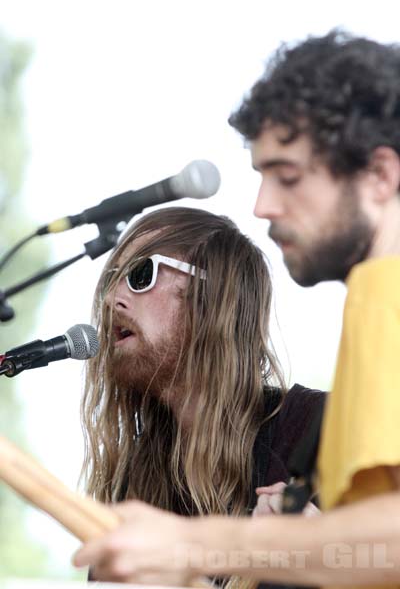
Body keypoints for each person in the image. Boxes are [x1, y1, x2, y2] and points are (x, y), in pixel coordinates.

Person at [74, 29, 400, 587]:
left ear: (379, 176)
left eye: (288, 177)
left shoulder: (388, 298)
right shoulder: (372, 305)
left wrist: (199, 545)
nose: (262, 205)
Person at [77, 205, 324, 582]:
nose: (113, 299)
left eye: (140, 274)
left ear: (210, 298)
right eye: (112, 279)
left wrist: (335, 558)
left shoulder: (317, 427)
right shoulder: (138, 483)